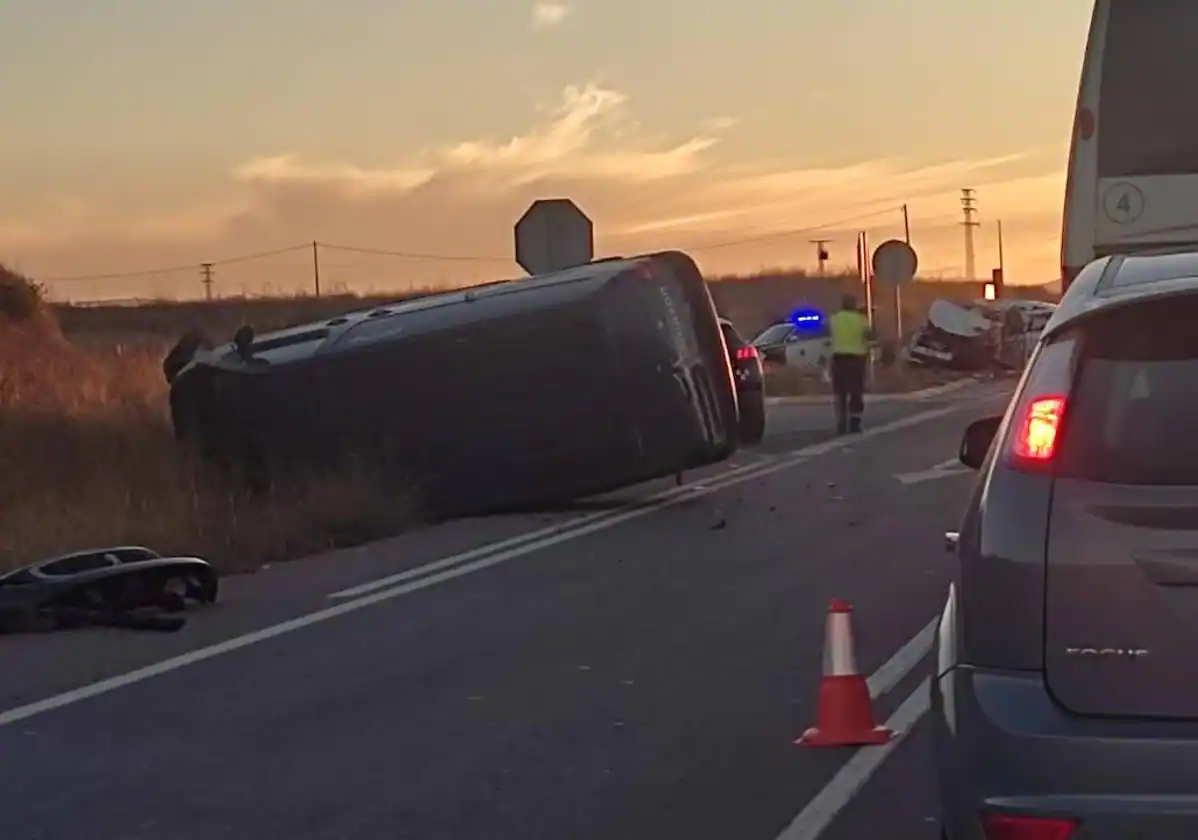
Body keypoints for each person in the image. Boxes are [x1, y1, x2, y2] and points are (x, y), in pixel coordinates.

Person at [828, 293, 874, 434]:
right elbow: (870, 336)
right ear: (854, 305)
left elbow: (827, 334)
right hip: (857, 360)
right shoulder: (861, 320)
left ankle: (841, 423)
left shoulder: (834, 319)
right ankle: (855, 424)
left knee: (840, 393)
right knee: (856, 392)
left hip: (839, 359)